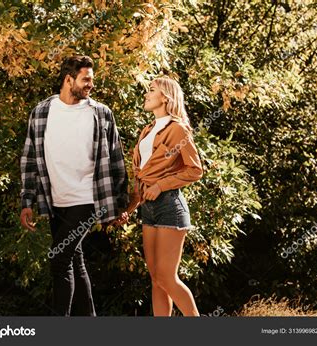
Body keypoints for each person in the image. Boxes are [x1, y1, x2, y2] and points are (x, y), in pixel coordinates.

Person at [19, 55, 128, 316]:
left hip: (88, 199)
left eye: (92, 79)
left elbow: (116, 159)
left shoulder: (100, 114)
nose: (91, 84)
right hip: (55, 199)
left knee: (58, 259)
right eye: (86, 79)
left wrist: (121, 204)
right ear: (69, 80)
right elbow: (30, 157)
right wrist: (27, 201)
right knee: (74, 260)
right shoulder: (42, 112)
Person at [118, 77, 203, 316]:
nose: (146, 94)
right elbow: (141, 176)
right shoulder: (146, 131)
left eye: (151, 90)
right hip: (148, 208)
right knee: (156, 278)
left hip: (169, 206)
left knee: (167, 276)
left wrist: (161, 186)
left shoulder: (177, 129)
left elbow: (195, 169)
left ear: (165, 97)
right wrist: (130, 207)